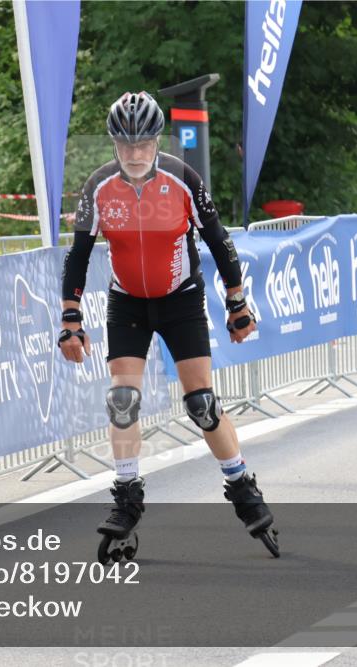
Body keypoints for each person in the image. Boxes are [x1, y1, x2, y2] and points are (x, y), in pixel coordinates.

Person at [58, 91, 279, 559]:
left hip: (181, 300)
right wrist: (70, 317)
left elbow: (219, 241)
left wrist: (237, 303)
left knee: (201, 403)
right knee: (122, 399)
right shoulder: (98, 187)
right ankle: (126, 497)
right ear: (114, 143)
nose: (135, 155)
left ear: (158, 140)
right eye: (126, 145)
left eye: (144, 144)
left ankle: (241, 485)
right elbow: (78, 254)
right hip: (127, 304)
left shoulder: (182, 178)